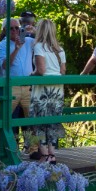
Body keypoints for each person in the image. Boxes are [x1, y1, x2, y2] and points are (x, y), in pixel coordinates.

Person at [0, 18, 34, 165]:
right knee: (3, 118)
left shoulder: (28, 41)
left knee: (32, 118)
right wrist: (17, 48)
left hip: (27, 85)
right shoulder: (1, 46)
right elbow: (5, 65)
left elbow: (47, 42)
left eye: (17, 28)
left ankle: (34, 149)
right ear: (5, 30)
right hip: (10, 86)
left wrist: (35, 31)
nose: (15, 31)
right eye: (11, 28)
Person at [30, 19, 67, 163]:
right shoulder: (60, 49)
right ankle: (52, 154)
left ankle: (44, 155)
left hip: (42, 88)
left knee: (38, 121)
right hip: (57, 88)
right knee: (53, 121)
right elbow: (62, 71)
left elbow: (41, 70)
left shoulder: (39, 46)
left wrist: (31, 75)